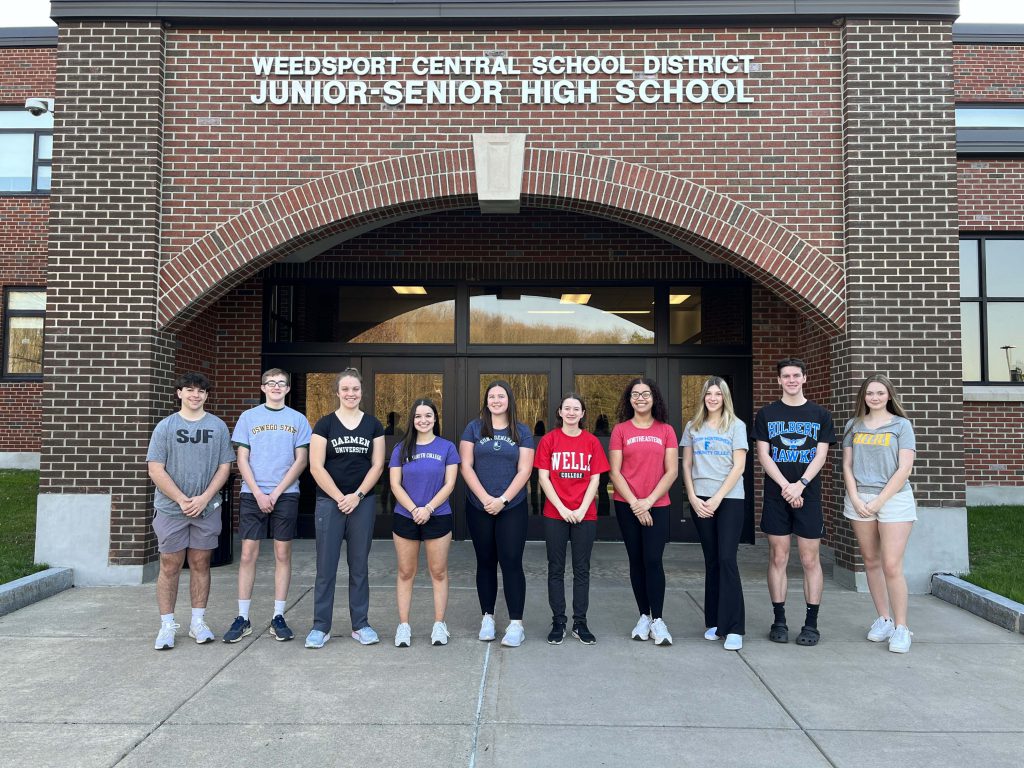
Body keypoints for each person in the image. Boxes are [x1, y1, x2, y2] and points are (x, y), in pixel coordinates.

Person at [146, 372, 234, 650]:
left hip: (206, 509)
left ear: (206, 396)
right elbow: (155, 469)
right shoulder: (165, 427)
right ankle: (167, 625)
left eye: (201, 391)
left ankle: (198, 622)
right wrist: (182, 499)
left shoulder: (217, 426)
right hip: (171, 509)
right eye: (190, 390)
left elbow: (225, 467)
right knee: (170, 565)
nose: (195, 395)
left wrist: (204, 498)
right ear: (179, 393)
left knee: (200, 563)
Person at [223, 368, 311, 643]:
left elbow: (301, 460)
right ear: (263, 388)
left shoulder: (297, 419)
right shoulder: (248, 417)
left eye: (281, 383)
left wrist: (277, 492)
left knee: (282, 554)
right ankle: (243, 617)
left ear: (287, 389)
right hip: (253, 494)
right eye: (271, 383)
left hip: (287, 494)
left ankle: (278, 616)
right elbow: (242, 458)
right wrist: (260, 493)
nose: (276, 387)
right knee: (248, 554)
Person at [754, 358, 835, 647]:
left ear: (804, 378)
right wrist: (786, 487)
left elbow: (821, 455)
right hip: (777, 494)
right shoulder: (767, 414)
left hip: (808, 494)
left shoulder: (820, 415)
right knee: (778, 557)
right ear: (779, 380)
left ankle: (811, 624)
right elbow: (764, 455)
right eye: (786, 376)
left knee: (810, 559)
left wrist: (800, 485)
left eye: (796, 375)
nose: (791, 380)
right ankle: (779, 620)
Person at [306, 367, 386, 649]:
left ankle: (360, 625)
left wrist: (357, 496)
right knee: (326, 567)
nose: (351, 394)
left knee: (359, 566)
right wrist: (341, 497)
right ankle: (320, 627)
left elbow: (378, 465)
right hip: (330, 502)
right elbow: (315, 466)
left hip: (362, 503)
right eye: (346, 389)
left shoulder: (373, 425)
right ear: (337, 392)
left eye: (355, 389)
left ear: (361, 392)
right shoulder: (324, 424)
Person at [842, 374, 917, 653]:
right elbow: (847, 465)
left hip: (894, 499)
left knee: (891, 565)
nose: (875, 397)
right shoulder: (853, 425)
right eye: (870, 393)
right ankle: (884, 620)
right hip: (860, 499)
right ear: (863, 396)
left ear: (889, 396)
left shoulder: (901, 425)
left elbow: (904, 469)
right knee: (871, 561)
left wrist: (879, 501)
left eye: (880, 393)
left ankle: (902, 628)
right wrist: (855, 497)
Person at [460, 380, 535, 647]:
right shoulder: (473, 428)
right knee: (485, 561)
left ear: (509, 400)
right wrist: (484, 499)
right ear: (486, 401)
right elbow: (466, 466)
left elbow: (525, 470)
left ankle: (516, 624)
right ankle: (487, 618)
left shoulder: (522, 431)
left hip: (511, 507)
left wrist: (502, 500)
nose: (496, 400)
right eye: (491, 396)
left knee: (511, 561)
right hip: (478, 506)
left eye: (501, 396)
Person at [535, 392, 609, 645]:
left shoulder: (591, 442)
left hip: (585, 515)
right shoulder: (549, 440)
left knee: (581, 569)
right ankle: (558, 621)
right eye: (567, 408)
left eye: (576, 409)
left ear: (583, 413)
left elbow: (595, 480)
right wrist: (562, 509)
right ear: (560, 412)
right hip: (555, 514)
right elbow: (543, 478)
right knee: (555, 568)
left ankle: (580, 623)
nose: (571, 412)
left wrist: (580, 509)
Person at [608, 377, 678, 646]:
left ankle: (658, 619)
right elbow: (615, 472)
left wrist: (647, 501)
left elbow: (671, 471)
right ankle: (643, 616)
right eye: (635, 394)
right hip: (626, 505)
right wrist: (636, 504)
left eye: (645, 393)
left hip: (657, 505)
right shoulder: (620, 430)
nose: (640, 398)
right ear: (629, 400)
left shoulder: (666, 430)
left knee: (653, 560)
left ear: (654, 397)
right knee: (636, 560)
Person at [681, 377, 748, 651]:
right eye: (709, 393)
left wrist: (718, 497)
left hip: (729, 499)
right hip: (701, 500)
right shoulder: (692, 426)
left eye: (718, 394)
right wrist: (692, 497)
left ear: (724, 398)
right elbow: (686, 465)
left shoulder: (736, 425)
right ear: (703, 397)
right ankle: (715, 622)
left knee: (727, 558)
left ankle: (734, 628)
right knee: (712, 561)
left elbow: (739, 466)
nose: (712, 398)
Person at [389, 398, 460, 647]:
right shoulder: (401, 448)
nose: (423, 420)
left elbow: (450, 484)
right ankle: (403, 626)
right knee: (405, 572)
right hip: (406, 516)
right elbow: (395, 484)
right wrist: (414, 509)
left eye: (428, 415)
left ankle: (439, 624)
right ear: (412, 419)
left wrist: (428, 508)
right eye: (418, 416)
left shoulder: (447, 447)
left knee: (438, 572)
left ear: (435, 418)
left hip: (437, 516)